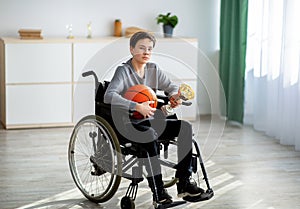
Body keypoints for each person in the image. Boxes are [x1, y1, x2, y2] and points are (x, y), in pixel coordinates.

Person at [104, 31, 204, 204]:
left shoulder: (154, 69)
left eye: (149, 49)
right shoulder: (123, 71)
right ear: (132, 49)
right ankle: (159, 192)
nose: (146, 52)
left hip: (151, 119)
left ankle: (184, 183)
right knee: (149, 135)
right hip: (129, 122)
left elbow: (170, 87)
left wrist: (174, 95)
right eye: (141, 48)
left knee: (185, 128)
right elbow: (109, 95)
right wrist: (136, 106)